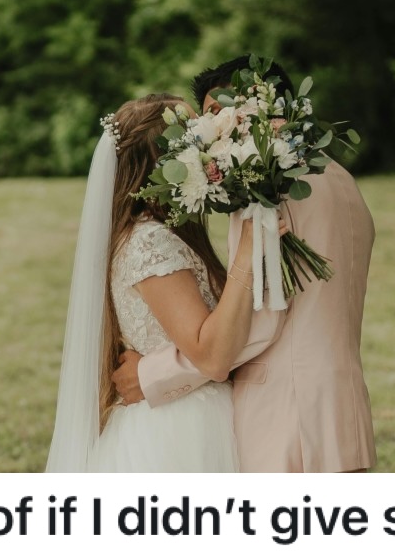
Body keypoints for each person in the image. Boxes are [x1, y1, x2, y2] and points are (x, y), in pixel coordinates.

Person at [111, 56, 377, 472]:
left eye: (219, 117)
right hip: (342, 410)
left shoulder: (268, 190)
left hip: (285, 417)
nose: (213, 138)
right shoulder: (342, 182)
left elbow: (260, 322)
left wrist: (151, 374)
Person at [46, 93, 264, 472]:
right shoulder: (151, 242)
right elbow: (210, 353)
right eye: (198, 147)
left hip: (179, 412)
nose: (211, 158)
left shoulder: (155, 234)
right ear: (167, 167)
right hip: (179, 431)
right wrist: (245, 258)